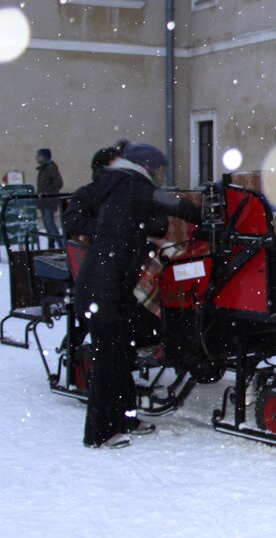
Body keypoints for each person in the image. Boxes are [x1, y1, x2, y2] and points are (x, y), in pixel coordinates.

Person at [74, 142, 199, 449]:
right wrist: (204, 212)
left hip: (108, 284)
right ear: (146, 168)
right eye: (156, 170)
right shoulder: (132, 185)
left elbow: (153, 221)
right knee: (108, 360)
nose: (157, 175)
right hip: (103, 287)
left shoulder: (117, 187)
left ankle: (126, 418)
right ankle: (100, 434)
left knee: (121, 355)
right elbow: (171, 204)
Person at [62, 142, 126, 243]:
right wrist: (109, 225)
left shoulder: (128, 192)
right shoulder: (87, 193)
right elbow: (72, 222)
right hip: (102, 249)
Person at [35, 148, 64, 248]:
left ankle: (61, 245)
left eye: (39, 155)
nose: (37, 158)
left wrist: (48, 193)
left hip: (48, 201)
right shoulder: (43, 168)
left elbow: (59, 183)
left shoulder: (50, 167)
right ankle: (51, 245)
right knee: (48, 225)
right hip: (44, 201)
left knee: (50, 224)